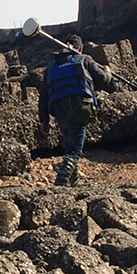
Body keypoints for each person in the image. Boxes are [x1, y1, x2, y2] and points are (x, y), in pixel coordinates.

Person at [41, 35, 113, 186]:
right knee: (74, 151)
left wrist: (44, 121)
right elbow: (103, 80)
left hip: (59, 110)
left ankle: (75, 181)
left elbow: (43, 97)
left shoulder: (51, 67)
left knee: (70, 144)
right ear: (80, 48)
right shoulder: (85, 59)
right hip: (80, 107)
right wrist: (108, 71)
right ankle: (60, 181)